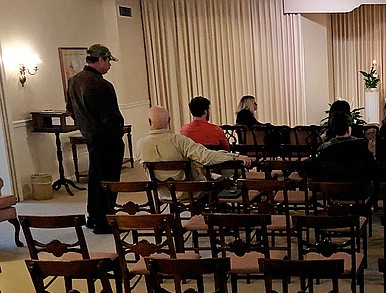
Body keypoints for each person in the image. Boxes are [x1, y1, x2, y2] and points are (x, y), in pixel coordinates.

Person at [66, 44, 125, 234]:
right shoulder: (102, 85)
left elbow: (70, 109)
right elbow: (110, 117)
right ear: (100, 60)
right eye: (108, 61)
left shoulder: (74, 81)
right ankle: (104, 221)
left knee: (95, 178)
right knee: (108, 182)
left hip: (91, 138)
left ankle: (93, 216)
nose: (109, 65)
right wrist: (118, 133)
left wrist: (85, 129)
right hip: (107, 140)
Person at [136, 106, 251, 183]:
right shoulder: (179, 141)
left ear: (149, 121)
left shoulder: (140, 146)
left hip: (161, 193)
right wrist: (235, 156)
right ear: (169, 120)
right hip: (190, 191)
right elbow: (206, 156)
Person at [317, 111, 375, 199]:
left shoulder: (324, 148)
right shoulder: (361, 145)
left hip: (333, 191)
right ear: (349, 128)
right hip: (359, 190)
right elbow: (370, 168)